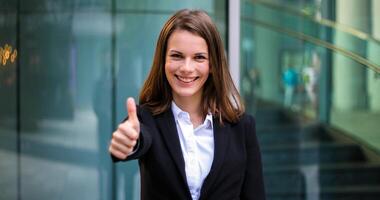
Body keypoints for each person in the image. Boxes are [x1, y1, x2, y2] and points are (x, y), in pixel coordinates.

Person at [108, 9, 265, 200]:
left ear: (212, 65)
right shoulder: (145, 119)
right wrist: (128, 142)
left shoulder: (242, 127)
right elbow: (138, 137)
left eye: (199, 57)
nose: (186, 68)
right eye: (177, 56)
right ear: (163, 61)